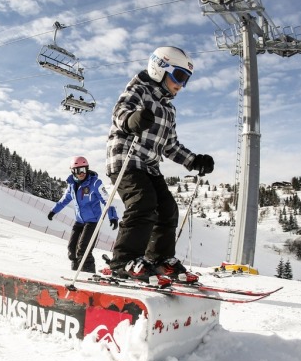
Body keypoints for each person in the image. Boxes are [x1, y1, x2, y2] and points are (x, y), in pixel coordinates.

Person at [105, 46, 214, 283]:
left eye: (186, 80)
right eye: (179, 77)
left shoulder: (168, 109)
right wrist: (131, 119)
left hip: (150, 166)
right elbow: (120, 112)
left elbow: (170, 146)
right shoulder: (138, 90)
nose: (181, 85)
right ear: (160, 68)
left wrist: (194, 161)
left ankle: (159, 258)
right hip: (126, 159)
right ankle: (124, 261)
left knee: (167, 209)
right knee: (143, 202)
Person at [47, 156, 119, 273]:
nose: (81, 173)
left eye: (84, 169)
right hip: (79, 220)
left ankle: (88, 272)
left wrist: (113, 216)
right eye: (78, 170)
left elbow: (107, 200)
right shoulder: (72, 185)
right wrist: (53, 211)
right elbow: (64, 199)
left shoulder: (95, 183)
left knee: (84, 250)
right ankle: (76, 272)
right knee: (72, 249)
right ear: (73, 171)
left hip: (92, 221)